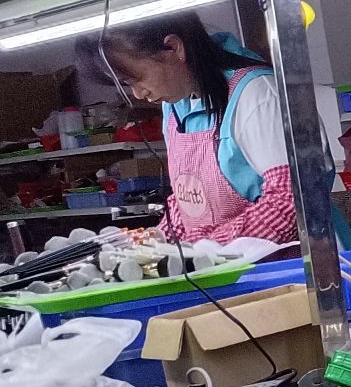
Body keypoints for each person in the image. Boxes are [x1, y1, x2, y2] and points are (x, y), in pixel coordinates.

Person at [91, 13, 299, 245]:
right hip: (221, 261)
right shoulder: (175, 105)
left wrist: (204, 248)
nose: (139, 94)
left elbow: (289, 201)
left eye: (137, 79)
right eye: (128, 85)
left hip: (280, 261)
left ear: (174, 47)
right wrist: (156, 242)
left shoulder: (257, 93)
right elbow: (190, 202)